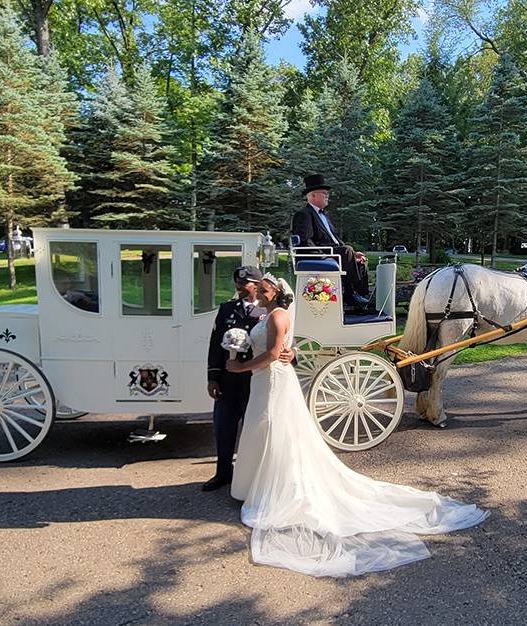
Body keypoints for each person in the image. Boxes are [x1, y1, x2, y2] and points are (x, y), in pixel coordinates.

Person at [225, 274, 488, 577]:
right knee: (268, 428)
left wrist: (241, 366)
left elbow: (276, 350)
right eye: (258, 288)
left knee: (272, 428)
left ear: (274, 293)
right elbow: (278, 348)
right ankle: (259, 484)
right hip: (268, 380)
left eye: (263, 288)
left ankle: (268, 486)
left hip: (270, 379)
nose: (258, 291)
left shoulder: (276, 315)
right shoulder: (268, 314)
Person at [202, 266, 294, 492]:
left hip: (256, 378)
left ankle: (253, 477)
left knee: (256, 432)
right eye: (238, 286)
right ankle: (223, 473)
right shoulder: (227, 309)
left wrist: (293, 354)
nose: (240, 290)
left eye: (244, 286)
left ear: (257, 286)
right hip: (228, 380)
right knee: (223, 427)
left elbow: (283, 343)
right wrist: (213, 377)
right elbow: (215, 344)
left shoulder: (271, 311)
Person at [291, 174, 371, 306]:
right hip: (318, 254)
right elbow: (306, 241)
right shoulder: (304, 214)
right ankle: (351, 295)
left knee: (360, 260)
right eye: (324, 193)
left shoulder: (325, 215)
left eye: (327, 193)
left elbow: (335, 239)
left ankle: (362, 297)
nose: (327, 195)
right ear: (313, 196)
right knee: (346, 251)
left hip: (333, 252)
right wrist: (325, 256)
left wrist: (354, 254)